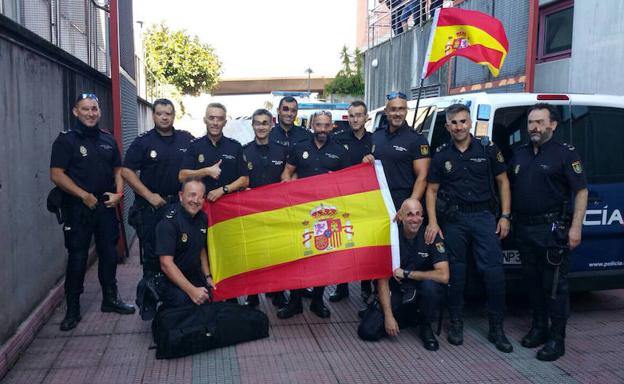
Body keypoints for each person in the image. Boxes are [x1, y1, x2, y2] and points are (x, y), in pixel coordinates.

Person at [425, 103, 513, 353]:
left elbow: (503, 182)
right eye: (454, 122)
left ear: (470, 122)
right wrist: (432, 221)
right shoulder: (442, 154)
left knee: (493, 273)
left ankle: (497, 328)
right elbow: (431, 190)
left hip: (484, 217)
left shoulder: (487, 149)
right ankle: (456, 323)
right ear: (447, 126)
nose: (459, 126)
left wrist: (505, 216)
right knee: (456, 273)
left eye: (463, 121)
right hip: (455, 220)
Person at [508, 103, 588, 361]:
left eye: (540, 122)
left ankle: (557, 339)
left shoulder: (565, 154)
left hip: (552, 230)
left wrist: (576, 227)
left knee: (554, 287)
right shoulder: (519, 153)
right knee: (532, 284)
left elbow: (581, 191)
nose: (534, 127)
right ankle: (539, 328)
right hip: (525, 229)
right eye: (531, 122)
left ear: (552, 125)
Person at [50, 93, 135, 331]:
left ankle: (110, 299)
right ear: (76, 112)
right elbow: (56, 174)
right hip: (78, 208)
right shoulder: (66, 140)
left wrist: (119, 194)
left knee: (109, 254)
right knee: (77, 258)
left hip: (105, 207)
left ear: (99, 111)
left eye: (94, 109)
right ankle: (73, 310)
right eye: (85, 109)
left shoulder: (108, 139)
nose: (90, 113)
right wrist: (83, 195)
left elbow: (118, 169)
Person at [278, 111, 350, 319]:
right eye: (318, 125)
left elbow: (347, 181)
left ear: (331, 127)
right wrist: (289, 184)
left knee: (322, 257)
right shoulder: (299, 146)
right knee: (297, 256)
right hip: (301, 211)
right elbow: (286, 173)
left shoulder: (339, 151)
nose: (322, 129)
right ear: (312, 125)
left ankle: (318, 300)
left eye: (326, 125)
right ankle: (295, 302)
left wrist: (335, 181)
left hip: (326, 213)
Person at [122, 99, 194, 275]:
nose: (164, 117)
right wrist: (149, 195)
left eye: (168, 114)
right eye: (160, 113)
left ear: (173, 116)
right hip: (152, 208)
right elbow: (126, 171)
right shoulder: (143, 142)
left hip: (179, 207)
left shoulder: (186, 139)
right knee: (153, 257)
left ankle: (176, 300)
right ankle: (151, 300)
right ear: (153, 115)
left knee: (180, 252)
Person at [376, 198, 449, 351]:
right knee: (368, 331)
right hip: (398, 289)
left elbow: (444, 276)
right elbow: (382, 279)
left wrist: (409, 274)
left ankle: (425, 326)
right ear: (400, 216)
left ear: (423, 217)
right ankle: (404, 317)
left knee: (431, 287)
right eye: (409, 215)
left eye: (418, 214)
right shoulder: (390, 236)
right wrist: (388, 317)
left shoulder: (431, 235)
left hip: (421, 288)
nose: (415, 219)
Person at [242, 109, 289, 308]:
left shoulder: (282, 151)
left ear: (272, 125)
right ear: (252, 125)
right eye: (257, 123)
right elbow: (239, 179)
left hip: (275, 211)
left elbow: (289, 176)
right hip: (250, 212)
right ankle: (252, 296)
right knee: (253, 254)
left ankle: (278, 293)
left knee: (276, 253)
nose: (261, 127)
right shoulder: (243, 151)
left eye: (265, 123)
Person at [329, 100, 374, 303]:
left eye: (359, 115)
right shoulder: (336, 139)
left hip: (365, 200)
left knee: (364, 243)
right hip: (342, 200)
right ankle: (341, 286)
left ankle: (366, 286)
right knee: (343, 243)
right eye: (352, 115)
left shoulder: (375, 141)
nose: (355, 119)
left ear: (366, 117)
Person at [365, 91, 430, 211]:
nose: (398, 114)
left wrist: (410, 205)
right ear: (386, 111)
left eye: (401, 109)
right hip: (379, 200)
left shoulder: (416, 139)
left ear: (406, 111)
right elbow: (370, 165)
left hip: (403, 201)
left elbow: (423, 176)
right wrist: (366, 161)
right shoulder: (376, 136)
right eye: (393, 109)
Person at [155, 178, 214, 308]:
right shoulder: (168, 223)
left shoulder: (202, 218)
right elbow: (166, 264)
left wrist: (208, 276)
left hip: (194, 275)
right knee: (185, 305)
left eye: (200, 197)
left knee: (212, 300)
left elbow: (201, 248)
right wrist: (192, 291)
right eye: (192, 195)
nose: (196, 201)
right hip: (171, 280)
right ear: (181, 196)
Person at [179, 102, 249, 202]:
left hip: (229, 206)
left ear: (225, 122)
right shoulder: (194, 146)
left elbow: (245, 180)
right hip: (200, 206)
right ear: (205, 120)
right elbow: (182, 176)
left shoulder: (235, 147)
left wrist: (223, 190)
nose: (215, 123)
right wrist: (206, 171)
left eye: (220, 119)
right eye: (211, 118)